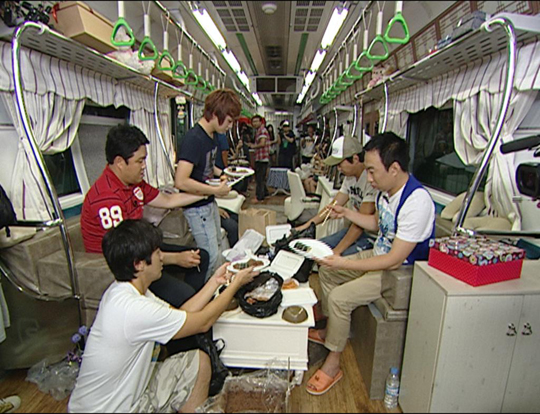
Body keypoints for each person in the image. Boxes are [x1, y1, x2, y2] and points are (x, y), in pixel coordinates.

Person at [68, 219, 258, 413]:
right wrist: (235, 285)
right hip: (110, 410)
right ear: (139, 264)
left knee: (197, 362)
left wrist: (215, 281)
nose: (162, 258)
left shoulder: (125, 290)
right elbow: (203, 323)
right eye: (157, 253)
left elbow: (182, 313)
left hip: (124, 397)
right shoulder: (135, 309)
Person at [305, 132, 436, 395]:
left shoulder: (416, 202)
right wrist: (346, 212)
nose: (369, 178)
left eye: (373, 171)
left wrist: (345, 262)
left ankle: (333, 362)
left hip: (398, 272)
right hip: (380, 256)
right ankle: (333, 329)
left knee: (340, 297)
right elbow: (378, 223)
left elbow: (394, 259)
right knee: (327, 270)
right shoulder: (386, 193)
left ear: (394, 168)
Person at [80, 124, 209, 307]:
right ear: (120, 162)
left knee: (201, 257)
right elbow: (126, 253)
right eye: (139, 161)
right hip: (124, 267)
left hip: (139, 248)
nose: (143, 167)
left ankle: (182, 308)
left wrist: (207, 193)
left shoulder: (133, 183)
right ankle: (184, 309)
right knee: (187, 293)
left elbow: (168, 200)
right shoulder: (106, 198)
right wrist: (175, 258)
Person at [175, 88, 241, 281]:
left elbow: (207, 167)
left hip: (208, 203)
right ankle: (205, 295)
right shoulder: (194, 139)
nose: (229, 126)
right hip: (196, 208)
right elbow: (181, 180)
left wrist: (224, 174)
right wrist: (215, 190)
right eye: (228, 121)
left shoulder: (211, 136)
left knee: (218, 248)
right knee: (210, 257)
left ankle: (218, 291)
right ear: (216, 114)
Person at [296, 135, 376, 257]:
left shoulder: (371, 181)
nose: (338, 169)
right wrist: (306, 226)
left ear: (355, 159)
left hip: (371, 236)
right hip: (355, 229)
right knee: (317, 247)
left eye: (340, 164)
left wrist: (336, 252)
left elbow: (360, 224)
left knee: (340, 257)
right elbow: (332, 206)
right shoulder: (349, 178)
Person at [246, 115, 270, 203]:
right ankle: (265, 193)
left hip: (262, 158)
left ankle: (260, 197)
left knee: (259, 178)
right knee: (261, 178)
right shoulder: (259, 130)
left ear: (260, 122)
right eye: (253, 122)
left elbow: (262, 143)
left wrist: (253, 146)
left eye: (256, 121)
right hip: (261, 158)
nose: (254, 123)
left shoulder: (262, 130)